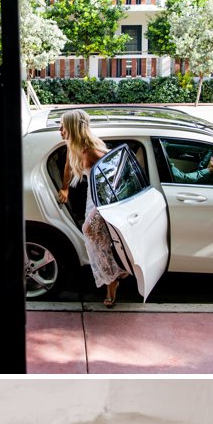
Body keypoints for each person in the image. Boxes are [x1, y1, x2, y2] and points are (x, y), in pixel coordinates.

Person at [45, 111, 135, 300]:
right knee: (97, 239)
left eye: (63, 126)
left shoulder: (91, 150)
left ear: (73, 128)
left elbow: (114, 172)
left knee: (92, 234)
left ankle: (113, 279)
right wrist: (65, 188)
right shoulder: (73, 144)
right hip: (91, 195)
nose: (60, 130)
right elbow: (68, 166)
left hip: (103, 197)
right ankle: (116, 272)